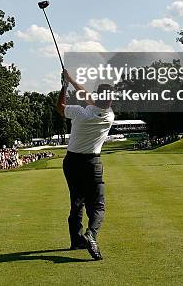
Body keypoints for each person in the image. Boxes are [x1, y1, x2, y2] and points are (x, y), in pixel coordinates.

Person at [57, 69, 114, 261]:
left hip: (71, 162)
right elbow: (87, 96)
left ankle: (77, 240)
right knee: (97, 205)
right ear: (110, 100)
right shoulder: (109, 116)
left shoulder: (80, 113)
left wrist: (65, 85)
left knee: (77, 200)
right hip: (92, 162)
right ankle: (91, 234)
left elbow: (61, 107)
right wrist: (71, 79)